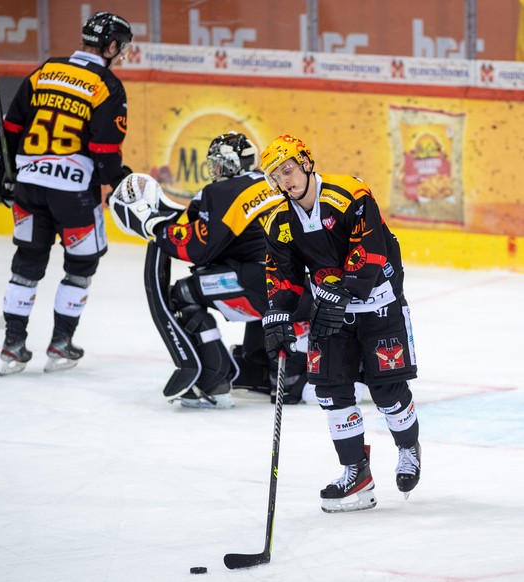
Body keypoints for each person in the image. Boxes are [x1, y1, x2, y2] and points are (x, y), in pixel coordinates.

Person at [259, 134, 421, 512]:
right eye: (275, 176)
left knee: (387, 392)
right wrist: (277, 316)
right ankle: (356, 472)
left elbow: (370, 250)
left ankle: (408, 447)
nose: (285, 180)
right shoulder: (279, 221)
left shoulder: (350, 194)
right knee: (330, 390)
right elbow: (282, 275)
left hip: (379, 303)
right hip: (331, 310)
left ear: (306, 163)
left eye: (288, 169)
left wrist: (343, 291)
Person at [108, 131, 311, 408]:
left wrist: (156, 228)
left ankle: (214, 379)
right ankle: (263, 367)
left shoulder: (221, 191)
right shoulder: (272, 182)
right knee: (250, 276)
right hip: (304, 286)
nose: (214, 169)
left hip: (265, 285)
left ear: (232, 163)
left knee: (184, 294)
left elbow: (199, 247)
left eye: (218, 162)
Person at [0, 12, 132, 376]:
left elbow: (10, 128)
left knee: (27, 264)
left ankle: (12, 346)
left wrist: (2, 172)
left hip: (29, 186)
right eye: (122, 48)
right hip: (73, 194)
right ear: (112, 45)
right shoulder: (107, 85)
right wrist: (119, 181)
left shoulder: (46, 70)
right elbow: (104, 152)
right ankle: (61, 343)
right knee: (81, 266)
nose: (121, 55)